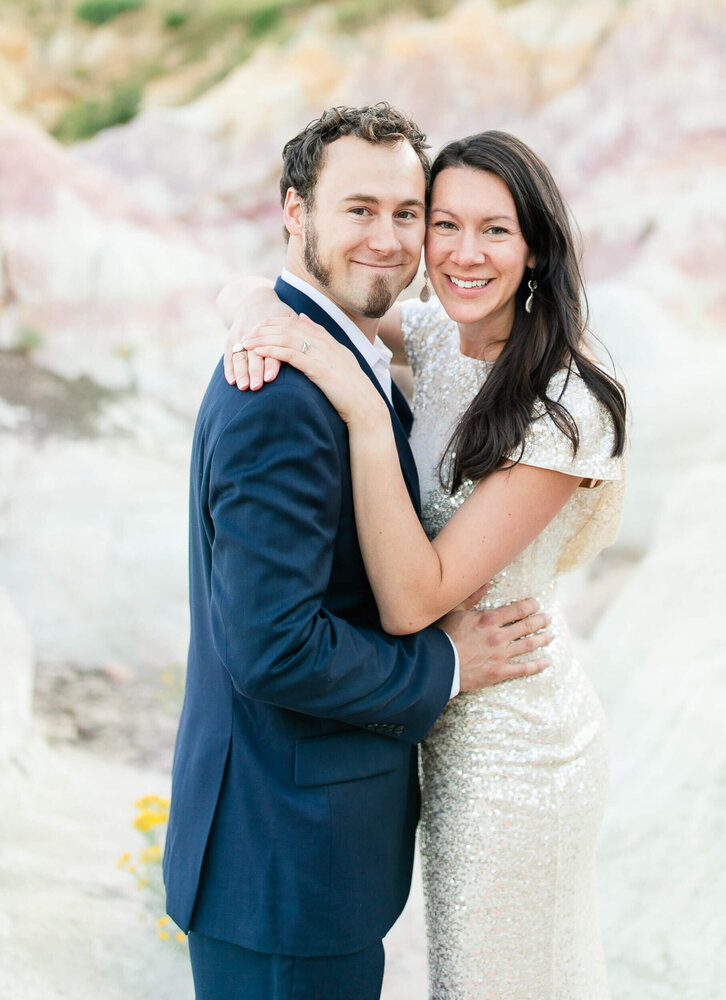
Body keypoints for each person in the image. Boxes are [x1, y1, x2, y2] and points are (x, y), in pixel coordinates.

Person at [225, 129, 627, 999]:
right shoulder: (443, 337)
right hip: (443, 723)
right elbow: (291, 282)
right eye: (442, 224)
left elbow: (414, 602)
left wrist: (369, 418)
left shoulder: (564, 405)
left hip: (519, 742)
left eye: (496, 230)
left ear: (536, 249)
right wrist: (254, 307)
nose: (462, 254)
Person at [163, 105, 554, 1000]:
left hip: (312, 855)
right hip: (281, 864)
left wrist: (248, 295)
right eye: (358, 210)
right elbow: (274, 646)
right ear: (295, 214)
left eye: (407, 213)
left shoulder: (356, 350)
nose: (388, 239)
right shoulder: (280, 397)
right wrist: (446, 664)